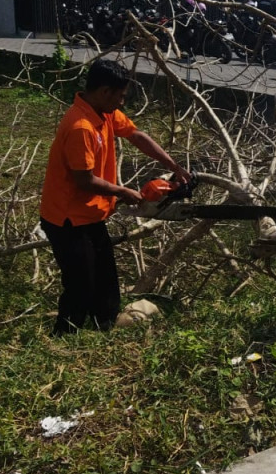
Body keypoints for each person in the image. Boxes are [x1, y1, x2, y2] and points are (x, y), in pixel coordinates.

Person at [39, 59, 191, 335]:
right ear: (105, 91)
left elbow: (137, 135)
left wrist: (173, 166)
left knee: (106, 275)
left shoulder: (104, 113)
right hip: (67, 219)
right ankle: (63, 335)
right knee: (80, 282)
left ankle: (105, 323)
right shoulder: (81, 126)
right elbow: (83, 180)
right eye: (120, 96)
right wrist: (123, 191)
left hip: (90, 213)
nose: (122, 102)